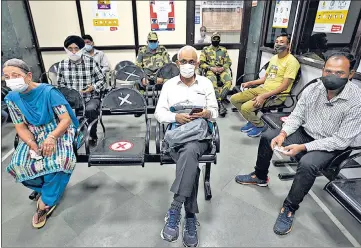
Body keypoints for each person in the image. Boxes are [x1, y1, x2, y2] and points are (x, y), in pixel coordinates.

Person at [235, 51, 361, 235]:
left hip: (331, 144)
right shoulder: (315, 88)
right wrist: (284, 133)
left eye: (339, 73)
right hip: (307, 132)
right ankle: (260, 176)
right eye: (328, 71)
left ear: (351, 74)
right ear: (323, 70)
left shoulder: (356, 100)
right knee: (269, 136)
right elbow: (297, 115)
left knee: (307, 163)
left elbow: (341, 140)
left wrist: (303, 148)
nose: (332, 76)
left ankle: (289, 207)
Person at [3, 58, 79, 228]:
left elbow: (65, 120)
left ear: (28, 76)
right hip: (33, 132)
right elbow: (20, 127)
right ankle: (47, 188)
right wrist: (31, 143)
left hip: (57, 129)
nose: (11, 80)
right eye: (7, 77)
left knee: (59, 160)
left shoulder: (48, 92)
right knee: (19, 164)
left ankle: (46, 201)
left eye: (16, 75)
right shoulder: (12, 98)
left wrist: (52, 137)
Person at [155, 45, 218, 247]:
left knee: (191, 150)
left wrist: (207, 113)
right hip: (177, 133)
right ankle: (189, 216)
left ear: (197, 64)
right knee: (189, 155)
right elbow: (159, 113)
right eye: (184, 61)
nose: (188, 65)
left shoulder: (206, 83)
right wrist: (175, 116)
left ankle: (175, 209)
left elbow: (215, 111)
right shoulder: (169, 85)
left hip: (200, 135)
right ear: (177, 63)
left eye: (192, 62)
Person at [230, 33, 300, 137]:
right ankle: (253, 120)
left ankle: (260, 125)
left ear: (288, 45)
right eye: (276, 42)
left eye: (282, 42)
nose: (278, 44)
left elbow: (284, 86)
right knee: (234, 99)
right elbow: (265, 78)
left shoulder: (292, 62)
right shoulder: (274, 58)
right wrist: (251, 83)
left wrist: (263, 96)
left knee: (245, 108)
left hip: (276, 95)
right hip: (262, 89)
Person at [57, 35, 105, 146]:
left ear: (81, 49)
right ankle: (70, 136)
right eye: (70, 49)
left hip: (90, 97)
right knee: (62, 113)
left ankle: (92, 134)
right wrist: (70, 93)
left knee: (90, 109)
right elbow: (60, 85)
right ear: (66, 50)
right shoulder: (62, 65)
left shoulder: (91, 62)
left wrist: (92, 87)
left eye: (76, 48)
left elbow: (102, 80)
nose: (73, 51)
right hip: (70, 100)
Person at [199, 32, 232, 117]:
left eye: (217, 39)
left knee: (228, 81)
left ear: (219, 40)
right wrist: (211, 68)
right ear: (211, 39)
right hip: (211, 70)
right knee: (212, 82)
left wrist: (223, 68)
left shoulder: (223, 50)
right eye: (214, 38)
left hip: (221, 70)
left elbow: (228, 62)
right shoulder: (206, 49)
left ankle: (219, 100)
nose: (216, 40)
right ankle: (220, 103)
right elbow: (201, 63)